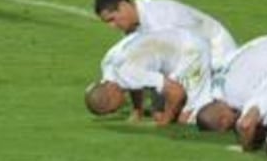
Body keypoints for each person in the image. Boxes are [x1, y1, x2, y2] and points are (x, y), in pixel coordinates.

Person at [86, 29, 214, 126]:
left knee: (187, 118)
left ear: (110, 97)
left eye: (112, 109)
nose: (117, 109)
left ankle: (223, 94)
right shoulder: (107, 66)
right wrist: (138, 110)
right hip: (171, 40)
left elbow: (177, 93)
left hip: (191, 50)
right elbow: (132, 83)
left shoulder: (130, 73)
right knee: (158, 113)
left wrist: (165, 121)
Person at [93, 0, 237, 68]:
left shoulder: (159, 18)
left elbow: (191, 51)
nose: (112, 26)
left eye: (112, 20)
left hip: (217, 54)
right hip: (195, 54)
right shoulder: (136, 23)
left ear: (124, 6)